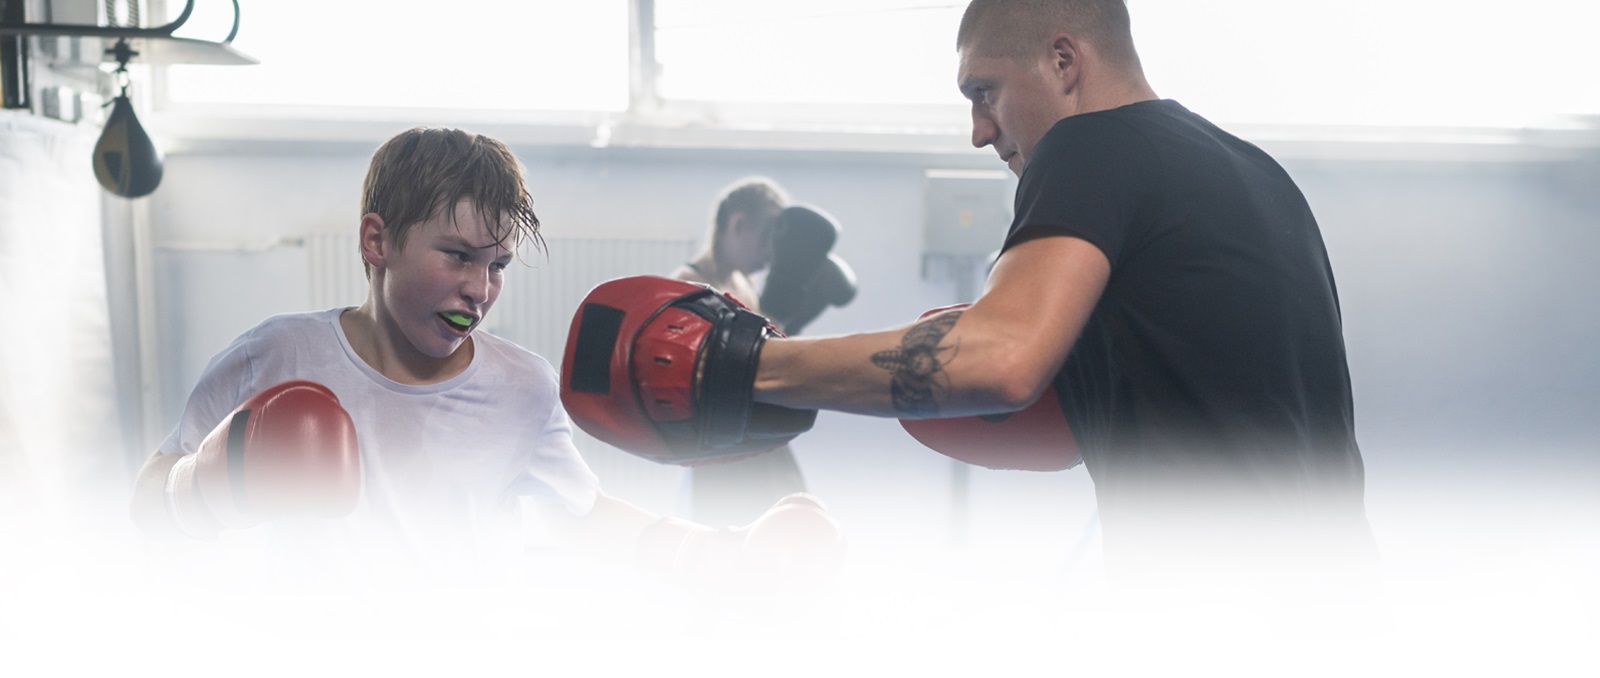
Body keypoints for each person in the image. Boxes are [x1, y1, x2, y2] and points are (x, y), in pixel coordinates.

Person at [595, 0, 1378, 602]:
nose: (978, 130)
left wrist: (743, 364)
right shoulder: (1254, 173)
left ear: (1064, 61)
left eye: (985, 92)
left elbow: (1000, 361)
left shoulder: (1093, 143)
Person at [126, 128, 842, 592]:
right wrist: (208, 488)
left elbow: (585, 516)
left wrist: (718, 555)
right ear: (377, 242)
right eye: (458, 256)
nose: (481, 287)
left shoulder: (521, 386)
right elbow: (151, 495)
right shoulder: (279, 354)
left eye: (497, 263)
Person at [669, 178, 808, 527]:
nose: (769, 255)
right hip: (719, 440)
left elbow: (762, 354)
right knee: (729, 538)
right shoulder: (691, 284)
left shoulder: (745, 284)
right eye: (766, 238)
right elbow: (685, 375)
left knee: (787, 515)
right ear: (738, 224)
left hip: (754, 428)